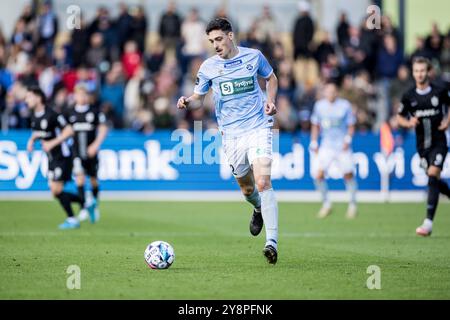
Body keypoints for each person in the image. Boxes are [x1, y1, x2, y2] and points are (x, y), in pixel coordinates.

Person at [176, 18, 279, 264]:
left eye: (219, 39)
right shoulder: (208, 67)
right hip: (230, 135)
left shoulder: (254, 57)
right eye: (211, 41)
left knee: (263, 181)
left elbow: (271, 79)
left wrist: (271, 100)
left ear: (230, 36)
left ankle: (271, 242)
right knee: (247, 188)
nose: (216, 45)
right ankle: (257, 209)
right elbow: (200, 98)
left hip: (258, 127)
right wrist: (189, 101)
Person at [397, 57, 450, 237]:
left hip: (439, 142)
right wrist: (408, 122)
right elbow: (399, 117)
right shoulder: (408, 95)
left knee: (433, 174)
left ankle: (428, 223)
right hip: (422, 146)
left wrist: (447, 121)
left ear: (428, 72)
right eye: (416, 71)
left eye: (422, 71)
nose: (419, 74)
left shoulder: (440, 91)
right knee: (433, 179)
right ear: (413, 73)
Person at [25, 86, 81, 229]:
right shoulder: (33, 116)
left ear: (38, 98)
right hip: (51, 158)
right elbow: (38, 133)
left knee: (56, 190)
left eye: (29, 97)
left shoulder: (52, 114)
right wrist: (31, 141)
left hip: (62, 156)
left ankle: (72, 219)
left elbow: (69, 130)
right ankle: (84, 202)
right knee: (55, 192)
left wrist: (52, 143)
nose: (27, 100)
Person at [310, 81, 358, 219]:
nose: (330, 94)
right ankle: (326, 204)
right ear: (324, 92)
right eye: (328, 91)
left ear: (337, 92)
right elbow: (315, 125)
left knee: (348, 174)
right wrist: (314, 142)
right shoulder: (319, 106)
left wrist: (348, 139)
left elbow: (351, 124)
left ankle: (352, 205)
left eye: (333, 91)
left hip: (342, 146)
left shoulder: (344, 105)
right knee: (318, 175)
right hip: (326, 145)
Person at [67, 83, 108, 223]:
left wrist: (96, 145)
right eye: (79, 94)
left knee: (94, 180)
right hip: (77, 152)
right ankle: (84, 207)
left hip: (91, 153)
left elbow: (103, 129)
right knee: (79, 178)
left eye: (84, 94)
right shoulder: (70, 112)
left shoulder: (95, 111)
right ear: (75, 95)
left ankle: (95, 205)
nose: (81, 97)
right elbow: (65, 130)